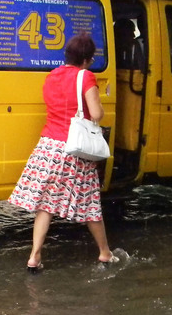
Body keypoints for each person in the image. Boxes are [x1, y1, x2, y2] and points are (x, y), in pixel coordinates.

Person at [8, 31, 118, 273]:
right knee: (90, 203)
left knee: (46, 205)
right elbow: (97, 114)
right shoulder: (86, 77)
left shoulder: (52, 76)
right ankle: (104, 253)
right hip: (73, 148)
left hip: (48, 146)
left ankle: (34, 256)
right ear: (87, 59)